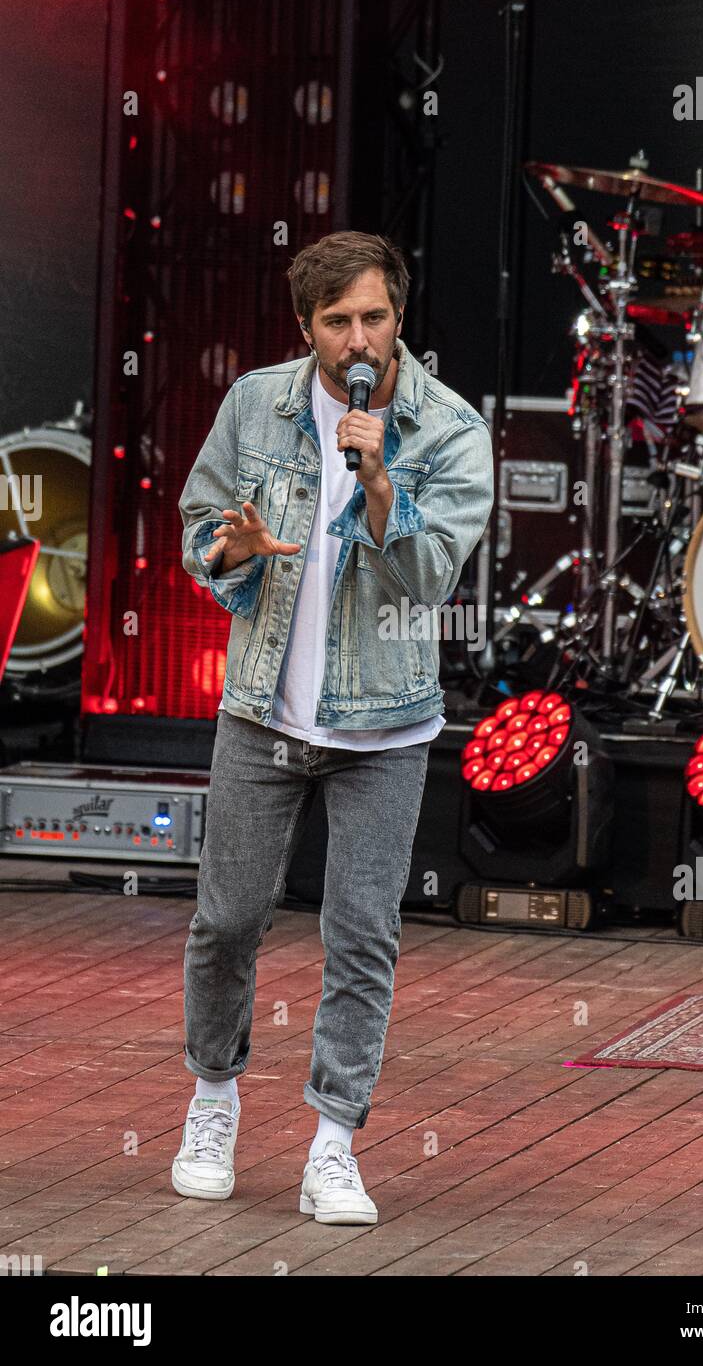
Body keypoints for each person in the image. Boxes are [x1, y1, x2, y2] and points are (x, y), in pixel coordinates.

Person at [174, 231, 494, 1223]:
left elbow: (432, 577)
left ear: (400, 317)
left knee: (363, 934)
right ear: (304, 325)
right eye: (337, 320)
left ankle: (333, 1145)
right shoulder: (253, 405)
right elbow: (198, 530)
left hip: (385, 728)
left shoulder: (447, 430)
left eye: (375, 317)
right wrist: (223, 547)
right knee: (226, 920)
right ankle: (212, 1099)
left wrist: (385, 485)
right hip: (264, 709)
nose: (358, 338)